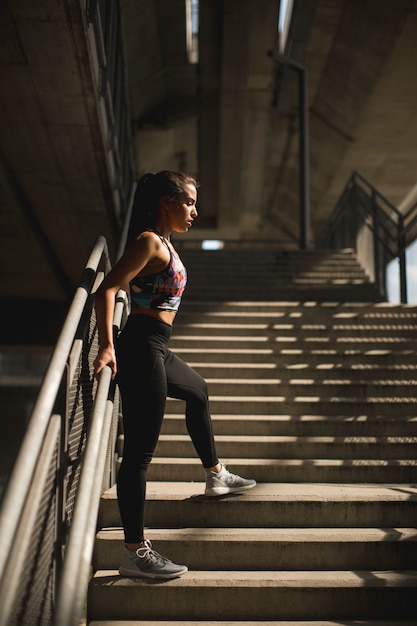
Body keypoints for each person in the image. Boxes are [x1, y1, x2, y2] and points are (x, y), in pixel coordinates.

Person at [93, 170, 256, 580]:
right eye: (189, 202)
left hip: (158, 346)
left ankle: (215, 475)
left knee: (198, 391)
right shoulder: (149, 241)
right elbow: (108, 289)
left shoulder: (165, 243)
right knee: (140, 456)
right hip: (141, 345)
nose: (195, 211)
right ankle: (135, 551)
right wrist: (108, 345)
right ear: (166, 202)